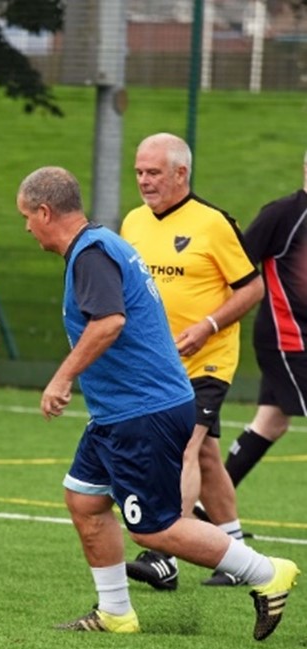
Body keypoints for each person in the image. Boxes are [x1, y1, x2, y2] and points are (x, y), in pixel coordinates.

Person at [16, 165, 298, 639]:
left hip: (142, 410)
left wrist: (62, 378)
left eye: (27, 216)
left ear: (45, 212)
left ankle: (268, 572)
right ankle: (115, 613)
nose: (26, 227)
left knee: (154, 528)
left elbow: (109, 322)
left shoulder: (91, 254)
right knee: (85, 500)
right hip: (119, 412)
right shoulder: (101, 243)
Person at [120, 132, 264, 589]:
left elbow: (253, 288)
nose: (144, 180)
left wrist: (208, 326)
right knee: (204, 454)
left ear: (181, 173)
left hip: (207, 362)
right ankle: (236, 552)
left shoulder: (214, 224)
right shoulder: (133, 222)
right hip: (157, 366)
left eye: (153, 172)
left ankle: (164, 554)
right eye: (139, 172)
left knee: (182, 446)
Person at [223, 151, 307, 487]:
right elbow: (237, 265)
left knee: (271, 422)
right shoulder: (283, 215)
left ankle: (208, 504)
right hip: (289, 339)